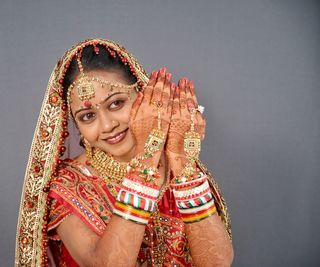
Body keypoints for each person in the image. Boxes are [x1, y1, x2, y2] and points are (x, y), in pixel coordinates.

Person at [15, 38, 233, 267]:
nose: (108, 125)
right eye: (87, 116)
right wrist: (146, 158)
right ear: (76, 126)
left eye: (116, 103)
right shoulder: (69, 186)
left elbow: (216, 264)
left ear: (143, 95)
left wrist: (181, 163)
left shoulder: (178, 167)